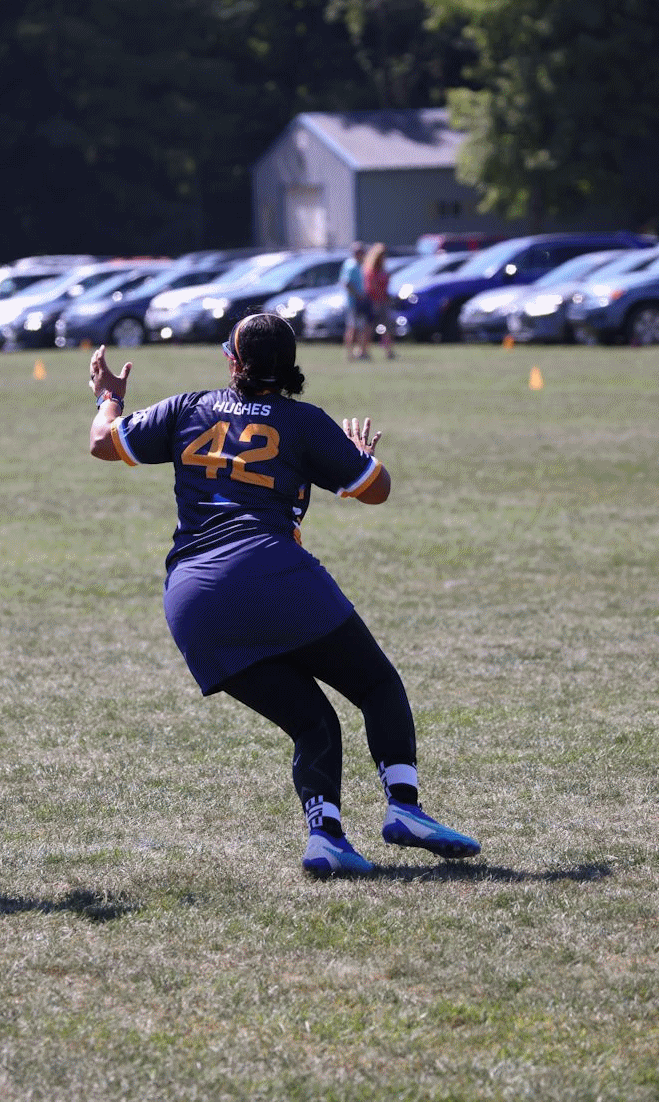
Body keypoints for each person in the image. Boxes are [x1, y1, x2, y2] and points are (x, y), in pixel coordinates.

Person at [86, 312, 479, 875]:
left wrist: (110, 397)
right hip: (272, 571)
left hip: (193, 598)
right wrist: (359, 457)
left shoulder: (188, 407)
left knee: (312, 721)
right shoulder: (303, 422)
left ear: (233, 363)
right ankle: (404, 807)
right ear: (291, 366)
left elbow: (102, 442)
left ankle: (326, 839)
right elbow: (377, 489)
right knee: (375, 685)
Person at [362, 242, 396, 360]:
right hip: (374, 302)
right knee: (369, 328)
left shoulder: (382, 269)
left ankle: (389, 351)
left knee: (386, 327)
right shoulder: (371, 270)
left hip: (383, 302)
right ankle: (363, 351)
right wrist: (376, 300)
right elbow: (370, 287)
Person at [341, 242, 371, 361]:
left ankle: (360, 351)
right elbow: (347, 283)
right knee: (352, 328)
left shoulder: (361, 265)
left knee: (361, 328)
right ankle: (349, 353)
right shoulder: (351, 265)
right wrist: (358, 295)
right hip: (354, 302)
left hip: (362, 301)